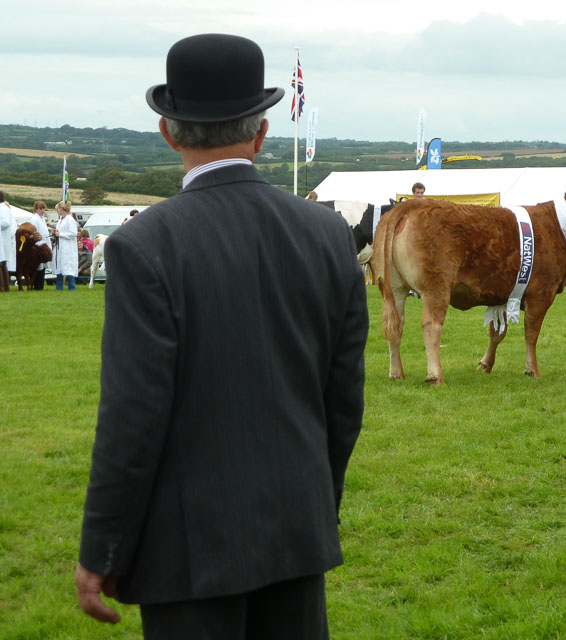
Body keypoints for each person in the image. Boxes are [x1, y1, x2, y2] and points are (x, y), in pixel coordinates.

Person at [76, 33, 367, 640]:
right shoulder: (326, 233)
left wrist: (103, 548)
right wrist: (317, 504)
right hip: (296, 530)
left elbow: (134, 415)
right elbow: (343, 402)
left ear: (168, 131)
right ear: (260, 133)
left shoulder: (144, 245)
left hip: (189, 548)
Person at [52, 200, 79, 291]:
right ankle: (59, 288)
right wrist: (55, 233)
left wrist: (60, 234)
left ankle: (72, 287)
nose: (57, 211)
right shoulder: (60, 219)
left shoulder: (70, 219)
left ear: (61, 209)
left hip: (68, 247)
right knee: (60, 267)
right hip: (60, 246)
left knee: (68, 266)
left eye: (58, 209)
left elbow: (73, 233)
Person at [29, 200, 51, 289]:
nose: (42, 211)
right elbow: (33, 232)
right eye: (40, 209)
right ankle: (37, 285)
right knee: (38, 266)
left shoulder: (42, 218)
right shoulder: (34, 219)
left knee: (42, 265)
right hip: (38, 245)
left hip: (44, 244)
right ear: (36, 209)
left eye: (43, 209)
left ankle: (40, 285)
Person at [0, 190, 12, 291]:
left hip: (2, 239)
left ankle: (2, 288)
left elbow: (6, 222)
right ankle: (5, 287)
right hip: (3, 239)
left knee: (1, 264)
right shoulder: (3, 207)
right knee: (2, 264)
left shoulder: (2, 208)